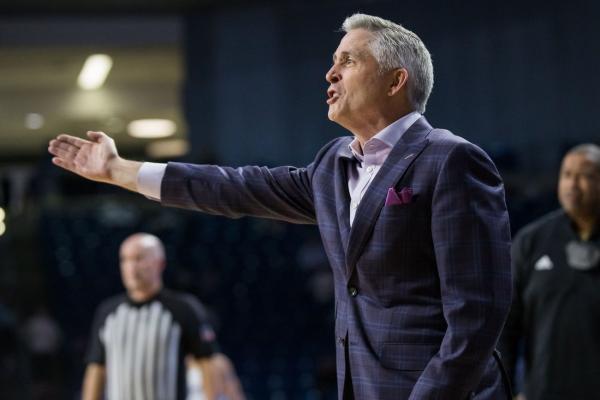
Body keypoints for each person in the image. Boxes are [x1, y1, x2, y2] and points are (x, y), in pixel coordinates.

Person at [49, 13, 512, 400]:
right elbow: (237, 187)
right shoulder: (333, 164)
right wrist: (120, 170)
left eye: (348, 61)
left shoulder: (451, 160)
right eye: (333, 61)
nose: (330, 74)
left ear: (396, 80)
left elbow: (477, 318)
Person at [82, 233, 245, 400]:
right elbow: (96, 367)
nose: (132, 267)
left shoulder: (182, 309)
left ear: (160, 264)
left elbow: (207, 362)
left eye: (139, 258)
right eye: (125, 260)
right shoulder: (107, 312)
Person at [499, 144, 600, 400]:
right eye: (567, 175)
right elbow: (506, 325)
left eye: (585, 175)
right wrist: (509, 390)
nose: (572, 184)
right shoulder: (532, 241)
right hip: (543, 391)